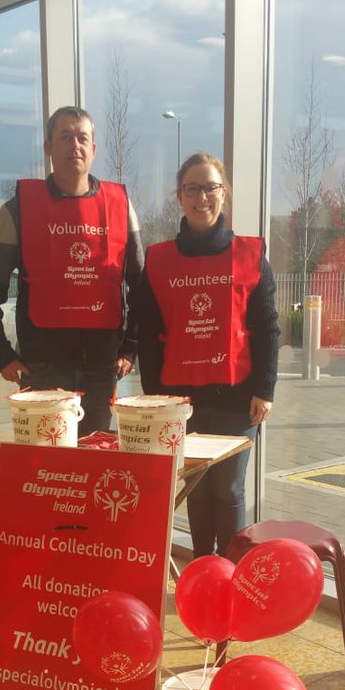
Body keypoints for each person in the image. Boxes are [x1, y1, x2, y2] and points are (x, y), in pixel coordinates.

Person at [137, 151, 279, 558]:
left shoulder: (250, 255)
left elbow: (267, 326)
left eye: (211, 187)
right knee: (196, 488)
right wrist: (157, 400)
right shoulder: (159, 259)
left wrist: (265, 389)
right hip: (182, 401)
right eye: (192, 188)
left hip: (238, 399)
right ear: (179, 196)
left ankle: (230, 576)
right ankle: (202, 569)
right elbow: (147, 333)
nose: (202, 197)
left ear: (224, 194)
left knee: (230, 489)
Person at [0, 106, 144, 435]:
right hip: (42, 367)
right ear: (49, 147)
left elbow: (140, 286)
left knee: (94, 459)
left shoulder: (120, 206)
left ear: (93, 149)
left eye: (82, 138)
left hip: (101, 367)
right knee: (48, 464)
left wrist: (130, 347)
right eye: (65, 137)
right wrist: (1, 353)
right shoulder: (19, 208)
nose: (74, 145)